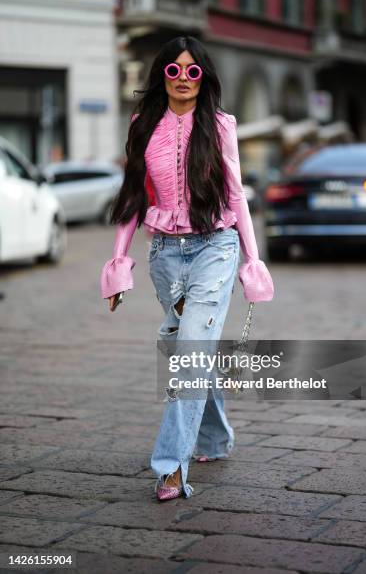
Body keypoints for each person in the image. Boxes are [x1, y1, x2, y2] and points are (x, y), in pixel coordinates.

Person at [100, 35, 274, 501]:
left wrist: (252, 261)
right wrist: (119, 266)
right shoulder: (142, 125)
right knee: (190, 344)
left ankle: (170, 466)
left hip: (215, 246)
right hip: (165, 256)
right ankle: (215, 438)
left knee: (190, 349)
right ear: (161, 75)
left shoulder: (219, 126)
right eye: (173, 70)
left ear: (204, 78)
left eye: (192, 71)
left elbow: (235, 195)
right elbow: (133, 197)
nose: (182, 79)